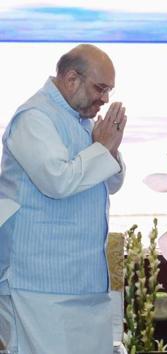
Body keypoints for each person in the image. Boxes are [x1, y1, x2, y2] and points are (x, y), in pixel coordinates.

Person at [0, 44, 127, 354]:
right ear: (72, 79)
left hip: (84, 283)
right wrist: (101, 149)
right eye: (100, 88)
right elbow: (58, 180)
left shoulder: (82, 121)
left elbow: (112, 183)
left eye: (109, 90)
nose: (105, 99)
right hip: (38, 285)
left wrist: (108, 148)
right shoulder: (34, 117)